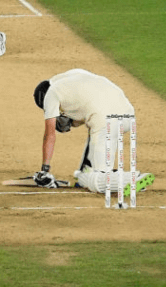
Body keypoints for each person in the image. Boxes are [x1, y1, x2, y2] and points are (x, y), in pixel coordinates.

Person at [30, 68, 155, 196]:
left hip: (106, 123)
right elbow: (87, 105)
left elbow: (50, 134)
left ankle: (130, 178)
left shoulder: (51, 94)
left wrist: (44, 170)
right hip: (127, 114)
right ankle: (94, 174)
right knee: (84, 176)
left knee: (96, 180)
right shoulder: (72, 76)